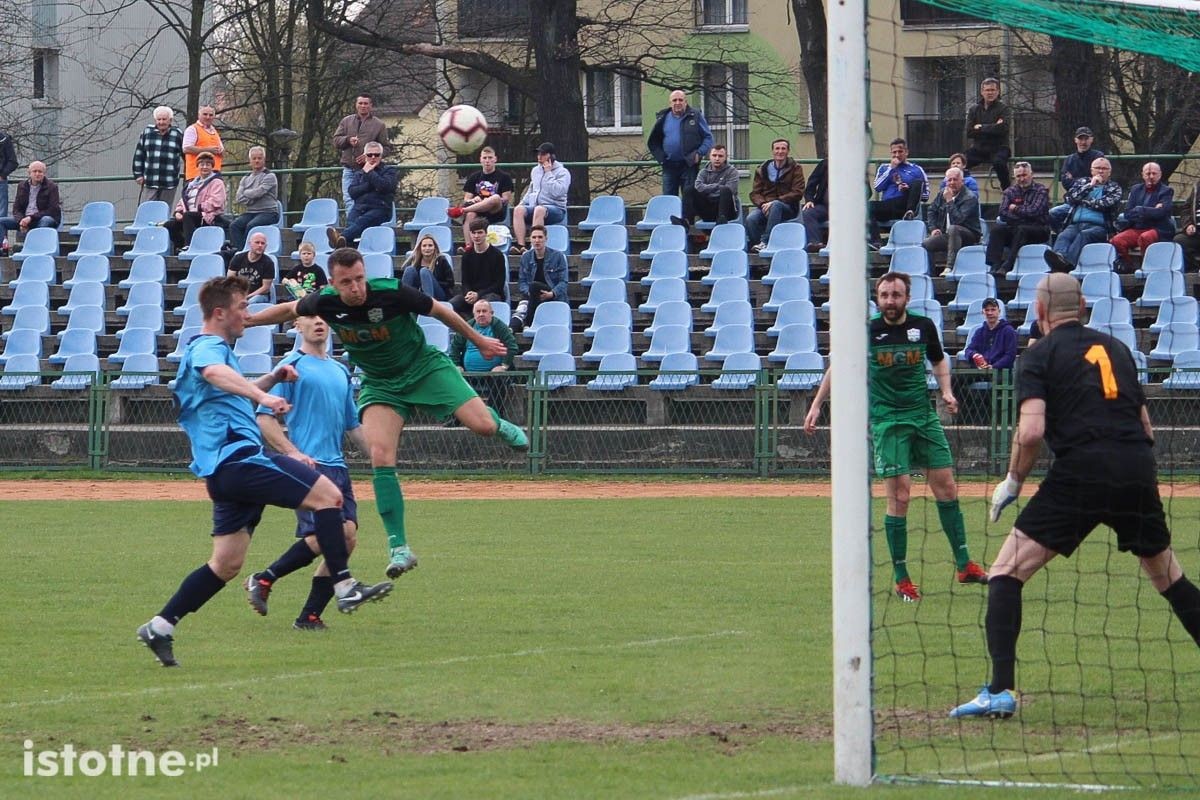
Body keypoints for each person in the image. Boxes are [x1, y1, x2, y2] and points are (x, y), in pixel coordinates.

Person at [951, 272, 1200, 718]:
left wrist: (1012, 482)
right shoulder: (1119, 349)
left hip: (1082, 470)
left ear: (1040, 312)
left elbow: (1030, 431)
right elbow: (1145, 426)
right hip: (1135, 466)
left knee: (1006, 573)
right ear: (1083, 306)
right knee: (1169, 578)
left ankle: (1000, 691)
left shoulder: (1039, 355)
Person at [136, 275, 393, 667]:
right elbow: (213, 375)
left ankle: (161, 626)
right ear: (220, 313)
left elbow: (224, 388)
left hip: (225, 472)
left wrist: (272, 378)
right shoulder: (208, 347)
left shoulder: (220, 352)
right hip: (238, 460)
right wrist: (262, 395)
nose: (247, 315)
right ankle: (343, 585)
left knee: (225, 564)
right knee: (329, 497)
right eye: (242, 307)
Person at [245, 247, 528, 580]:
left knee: (481, 426)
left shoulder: (390, 292)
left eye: (360, 279)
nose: (356, 288)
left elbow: (440, 310)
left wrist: (478, 339)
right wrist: (247, 319)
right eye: (347, 282)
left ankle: (498, 423)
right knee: (380, 456)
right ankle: (399, 546)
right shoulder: (324, 301)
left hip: (423, 367)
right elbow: (287, 310)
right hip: (381, 383)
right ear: (334, 283)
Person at [803, 272, 987, 602]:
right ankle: (902, 579)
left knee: (946, 487)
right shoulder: (867, 331)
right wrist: (817, 405)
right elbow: (838, 365)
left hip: (923, 417)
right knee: (900, 496)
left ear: (907, 297)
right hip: (887, 422)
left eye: (896, 294)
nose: (890, 300)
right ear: (877, 298)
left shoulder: (923, 327)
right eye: (884, 295)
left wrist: (946, 391)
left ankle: (964, 565)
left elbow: (939, 359)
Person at [244, 313, 368, 631]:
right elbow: (264, 418)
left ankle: (308, 616)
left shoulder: (340, 370)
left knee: (348, 538)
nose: (318, 322)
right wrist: (293, 454)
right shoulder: (290, 367)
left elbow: (352, 424)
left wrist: (382, 458)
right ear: (296, 326)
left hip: (337, 466)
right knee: (322, 537)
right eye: (309, 318)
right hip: (310, 467)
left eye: (324, 317)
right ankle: (264, 579)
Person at [1043, 157, 1122, 272]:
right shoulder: (1082, 182)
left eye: (1104, 168)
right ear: (1091, 170)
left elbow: (1104, 204)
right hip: (1076, 224)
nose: (1100, 171)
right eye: (1098, 168)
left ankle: (1067, 265)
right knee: (1063, 236)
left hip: (1100, 227)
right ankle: (1058, 259)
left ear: (1109, 172)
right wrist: (1090, 186)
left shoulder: (1115, 188)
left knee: (1084, 235)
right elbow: (1070, 198)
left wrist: (1082, 201)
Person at [448, 298, 520, 418]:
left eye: (484, 311)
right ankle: (456, 419)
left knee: (499, 379)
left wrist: (503, 366)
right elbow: (455, 348)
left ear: (491, 313)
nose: (481, 314)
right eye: (478, 311)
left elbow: (512, 346)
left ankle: (493, 417)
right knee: (454, 379)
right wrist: (457, 365)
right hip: (469, 373)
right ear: (474, 314)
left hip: (493, 374)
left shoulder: (498, 326)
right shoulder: (467, 326)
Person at [984, 161, 1050, 277]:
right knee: (997, 230)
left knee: (1022, 229)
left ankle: (1008, 265)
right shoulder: (1010, 191)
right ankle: (994, 265)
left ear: (1031, 174)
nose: (1021, 179)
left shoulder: (1041, 190)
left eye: (1024, 175)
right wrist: (1023, 214)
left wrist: (1015, 209)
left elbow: (1035, 211)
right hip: (1017, 227)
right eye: (1018, 176)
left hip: (1039, 230)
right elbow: (1003, 212)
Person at [326, 142, 397, 248]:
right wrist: (371, 185)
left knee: (362, 221)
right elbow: (352, 192)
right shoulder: (359, 173)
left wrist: (369, 173)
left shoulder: (389, 171)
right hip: (360, 207)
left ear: (381, 156)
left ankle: (340, 240)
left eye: (376, 155)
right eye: (370, 155)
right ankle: (344, 250)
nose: (373, 157)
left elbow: (384, 187)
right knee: (352, 221)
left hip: (380, 209)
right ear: (365, 156)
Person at [647, 89, 714, 197]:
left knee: (689, 198)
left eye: (680, 100)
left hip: (688, 165)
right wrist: (661, 158)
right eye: (674, 100)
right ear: (670, 103)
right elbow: (653, 142)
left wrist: (699, 153)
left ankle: (688, 215)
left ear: (685, 102)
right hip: (669, 166)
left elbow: (708, 137)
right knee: (668, 199)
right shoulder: (663, 117)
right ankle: (671, 215)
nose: (677, 103)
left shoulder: (695, 116)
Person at [333, 93, 391, 216]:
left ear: (371, 106)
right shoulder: (346, 121)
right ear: (356, 105)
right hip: (348, 168)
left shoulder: (379, 125)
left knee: (366, 201)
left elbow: (386, 148)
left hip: (367, 171)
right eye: (360, 103)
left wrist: (370, 156)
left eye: (366, 103)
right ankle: (352, 227)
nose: (363, 106)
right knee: (348, 200)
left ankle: (362, 228)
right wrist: (348, 140)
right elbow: (336, 141)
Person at [1110, 162, 1174, 272]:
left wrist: (1140, 210)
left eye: (1154, 173)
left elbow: (1162, 213)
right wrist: (1152, 210)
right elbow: (1128, 213)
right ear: (1143, 175)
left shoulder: (1166, 191)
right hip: (1137, 227)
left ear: (1160, 174)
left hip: (1158, 228)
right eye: (1148, 173)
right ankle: (1130, 267)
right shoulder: (1136, 189)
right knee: (1116, 240)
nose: (1151, 176)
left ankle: (1148, 267)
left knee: (1145, 237)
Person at [746, 138, 806, 254]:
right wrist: (763, 204)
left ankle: (766, 242)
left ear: (788, 151)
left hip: (787, 207)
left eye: (783, 149)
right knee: (751, 219)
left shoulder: (796, 168)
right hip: (765, 206)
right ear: (772, 151)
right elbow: (755, 193)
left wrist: (775, 202)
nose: (780, 151)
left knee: (777, 205)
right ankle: (756, 247)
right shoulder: (762, 169)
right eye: (777, 148)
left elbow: (798, 192)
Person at [511, 142, 570, 254]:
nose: (539, 157)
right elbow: (532, 190)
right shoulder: (535, 171)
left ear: (551, 156)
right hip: (536, 207)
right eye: (538, 154)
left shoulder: (563, 172)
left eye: (543, 154)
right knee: (518, 210)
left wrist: (548, 173)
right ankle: (520, 246)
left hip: (556, 209)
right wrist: (522, 203)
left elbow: (558, 192)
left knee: (539, 209)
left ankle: (534, 248)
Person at [869, 138, 928, 249]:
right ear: (891, 153)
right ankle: (876, 241)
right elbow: (877, 187)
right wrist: (891, 169)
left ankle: (909, 213)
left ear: (906, 152)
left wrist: (908, 189)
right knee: (866, 208)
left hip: (905, 205)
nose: (897, 155)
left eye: (900, 152)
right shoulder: (884, 168)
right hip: (888, 205)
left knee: (917, 183)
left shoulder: (916, 169)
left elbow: (925, 195)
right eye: (894, 152)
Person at [164, 151, 227, 251]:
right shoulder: (191, 184)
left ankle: (189, 246)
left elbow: (217, 201)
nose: (205, 167)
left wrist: (199, 208)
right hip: (189, 216)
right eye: (202, 164)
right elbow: (182, 201)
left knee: (188, 216)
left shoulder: (217, 182)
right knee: (169, 225)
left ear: (212, 166)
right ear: (197, 167)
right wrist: (178, 212)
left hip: (208, 216)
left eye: (208, 164)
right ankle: (180, 245)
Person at [922, 166, 980, 272]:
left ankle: (950, 267)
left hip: (969, 235)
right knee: (926, 243)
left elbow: (958, 220)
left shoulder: (970, 197)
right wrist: (934, 228)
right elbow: (931, 210)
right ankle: (929, 274)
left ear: (962, 181)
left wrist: (949, 201)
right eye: (949, 180)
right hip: (948, 235)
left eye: (955, 179)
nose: (952, 182)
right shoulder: (942, 193)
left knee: (954, 228)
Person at [450, 146, 513, 243]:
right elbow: (466, 199)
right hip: (477, 211)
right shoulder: (474, 177)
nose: (487, 161)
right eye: (485, 158)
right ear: (480, 160)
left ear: (495, 159)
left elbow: (505, 199)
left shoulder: (504, 177)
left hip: (495, 211)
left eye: (490, 158)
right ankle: (468, 246)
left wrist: (486, 201)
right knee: (470, 214)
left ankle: (462, 210)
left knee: (495, 197)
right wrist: (474, 200)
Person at [512, 224, 568, 333]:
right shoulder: (526, 257)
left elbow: (563, 282)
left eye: (540, 237)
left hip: (552, 294)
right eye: (534, 237)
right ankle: (512, 328)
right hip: (532, 295)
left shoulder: (558, 256)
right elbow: (522, 281)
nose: (537, 240)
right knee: (527, 297)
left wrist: (552, 293)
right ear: (530, 240)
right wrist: (530, 293)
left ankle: (528, 323)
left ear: (546, 239)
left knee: (533, 286)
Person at [672, 143, 740, 231]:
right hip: (708, 208)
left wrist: (707, 190)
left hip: (727, 210)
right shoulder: (703, 172)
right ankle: (686, 221)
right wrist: (717, 186)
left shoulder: (732, 172)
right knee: (689, 189)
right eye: (714, 155)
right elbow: (698, 186)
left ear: (725, 157)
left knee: (725, 190)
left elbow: (731, 189)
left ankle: (721, 221)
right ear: (710, 156)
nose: (717, 158)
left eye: (720, 156)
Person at [1049, 127, 1104, 231]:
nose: (1083, 142)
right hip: (1071, 201)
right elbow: (1065, 182)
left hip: (1091, 202)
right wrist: (1088, 180)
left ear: (1091, 139)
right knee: (1052, 213)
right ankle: (1062, 233)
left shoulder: (1098, 156)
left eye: (1086, 139)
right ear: (1075, 140)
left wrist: (1075, 180)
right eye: (1080, 139)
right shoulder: (1069, 159)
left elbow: (1098, 180)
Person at [228, 146, 280, 251]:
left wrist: (246, 193)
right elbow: (238, 198)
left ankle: (248, 251)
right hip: (251, 212)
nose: (257, 161)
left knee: (252, 225)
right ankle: (241, 251)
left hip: (269, 212)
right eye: (254, 158)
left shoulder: (270, 176)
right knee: (234, 225)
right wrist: (252, 197)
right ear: (250, 161)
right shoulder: (245, 178)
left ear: (264, 160)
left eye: (259, 158)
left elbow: (258, 193)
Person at [451, 219, 508, 315]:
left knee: (484, 304)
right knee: (451, 305)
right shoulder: (467, 255)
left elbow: (498, 285)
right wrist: (468, 293)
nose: (476, 236)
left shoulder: (497, 255)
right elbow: (465, 282)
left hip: (490, 294)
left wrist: (478, 295)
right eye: (473, 233)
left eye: (480, 232)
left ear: (486, 233)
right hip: (472, 294)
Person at [963, 77, 1011, 190]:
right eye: (987, 90)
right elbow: (969, 132)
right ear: (982, 92)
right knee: (959, 163)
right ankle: (958, 190)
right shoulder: (974, 109)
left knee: (999, 164)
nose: (990, 93)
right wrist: (994, 126)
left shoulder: (1004, 109)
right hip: (979, 148)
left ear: (998, 92)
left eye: (993, 90)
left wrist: (981, 127)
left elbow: (1003, 129)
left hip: (999, 147)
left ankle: (1008, 191)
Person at [131, 106, 184, 204]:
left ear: (170, 120)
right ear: (155, 120)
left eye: (164, 119)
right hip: (150, 180)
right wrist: (138, 175)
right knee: (147, 208)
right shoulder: (147, 132)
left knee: (164, 210)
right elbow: (139, 154)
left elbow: (185, 156)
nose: (161, 122)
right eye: (159, 119)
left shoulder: (177, 134)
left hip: (169, 181)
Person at [0, 161, 62, 235]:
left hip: (42, 219)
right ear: (29, 173)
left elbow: (52, 210)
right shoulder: (22, 186)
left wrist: (31, 218)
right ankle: (3, 244)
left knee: (46, 220)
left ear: (44, 173)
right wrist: (21, 221)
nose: (37, 174)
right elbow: (16, 208)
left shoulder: (52, 187)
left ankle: (37, 244)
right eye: (34, 171)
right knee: (1, 221)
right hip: (24, 219)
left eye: (40, 171)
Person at [961, 298, 1017, 374]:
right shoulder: (979, 332)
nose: (990, 313)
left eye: (993, 309)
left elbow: (1010, 356)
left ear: (999, 311)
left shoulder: (1009, 331)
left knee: (1002, 382)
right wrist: (974, 355)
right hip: (981, 370)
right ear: (983, 312)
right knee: (955, 378)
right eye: (987, 310)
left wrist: (993, 367)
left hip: (1001, 372)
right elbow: (968, 350)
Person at [400, 232, 455, 301]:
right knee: (409, 269)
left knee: (424, 272)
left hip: (439, 294)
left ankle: (428, 306)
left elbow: (450, 283)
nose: (427, 248)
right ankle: (403, 303)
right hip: (420, 293)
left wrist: (430, 281)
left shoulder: (441, 260)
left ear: (435, 247)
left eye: (430, 245)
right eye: (424, 246)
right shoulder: (415, 261)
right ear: (420, 248)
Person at [227, 231, 275, 304]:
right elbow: (230, 279)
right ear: (250, 244)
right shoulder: (238, 258)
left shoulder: (268, 263)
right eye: (257, 242)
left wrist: (247, 296)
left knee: (251, 302)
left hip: (259, 295)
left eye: (263, 243)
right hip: (239, 293)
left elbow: (266, 288)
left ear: (266, 246)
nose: (260, 245)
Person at [182, 106, 225, 180]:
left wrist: (221, 151)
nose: (208, 117)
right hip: (197, 175)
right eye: (205, 114)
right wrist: (208, 150)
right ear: (199, 115)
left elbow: (222, 150)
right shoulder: (192, 129)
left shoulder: (214, 131)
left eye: (211, 115)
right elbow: (186, 148)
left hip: (215, 175)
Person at [800, 158, 829, 252]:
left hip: (847, 208)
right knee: (807, 213)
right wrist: (809, 200)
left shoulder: (855, 165)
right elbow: (811, 183)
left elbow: (867, 191)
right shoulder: (825, 164)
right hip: (825, 207)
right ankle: (815, 243)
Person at [1173, 180, 1200, 272]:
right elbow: (1186, 208)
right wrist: (1188, 225)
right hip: (1197, 233)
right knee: (1179, 240)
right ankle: (1195, 271)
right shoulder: (1197, 186)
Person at [0, 126, 16, 218]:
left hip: (0, 182)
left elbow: (13, 161)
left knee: (1, 215)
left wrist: (2, 175)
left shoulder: (4, 139)